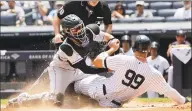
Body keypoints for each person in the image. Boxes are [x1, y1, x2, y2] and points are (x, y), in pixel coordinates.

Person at [6, 14, 119, 108]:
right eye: (75, 29)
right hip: (61, 70)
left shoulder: (91, 30)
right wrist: (106, 69)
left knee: (96, 84)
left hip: (77, 70)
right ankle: (23, 99)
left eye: (80, 27)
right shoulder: (67, 47)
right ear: (67, 31)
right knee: (55, 100)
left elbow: (105, 36)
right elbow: (85, 68)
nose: (79, 31)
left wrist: (113, 40)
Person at [74, 35, 190, 108]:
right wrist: (183, 100)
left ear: (134, 49)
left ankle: (72, 96)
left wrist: (112, 49)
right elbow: (170, 92)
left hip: (99, 89)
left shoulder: (124, 59)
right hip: (113, 105)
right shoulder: (154, 74)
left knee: (78, 83)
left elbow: (97, 62)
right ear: (149, 51)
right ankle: (91, 102)